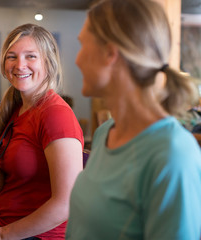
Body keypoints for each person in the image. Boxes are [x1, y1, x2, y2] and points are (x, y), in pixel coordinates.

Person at [66, 0, 201, 239]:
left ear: (110, 53)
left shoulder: (172, 154)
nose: (76, 60)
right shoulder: (105, 133)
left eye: (82, 45)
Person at [0, 23, 84, 239]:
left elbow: (67, 203)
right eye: (11, 56)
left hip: (40, 235)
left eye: (30, 56)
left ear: (48, 63)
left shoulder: (55, 113)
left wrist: (2, 234)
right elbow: (6, 185)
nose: (19, 65)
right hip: (7, 226)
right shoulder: (16, 110)